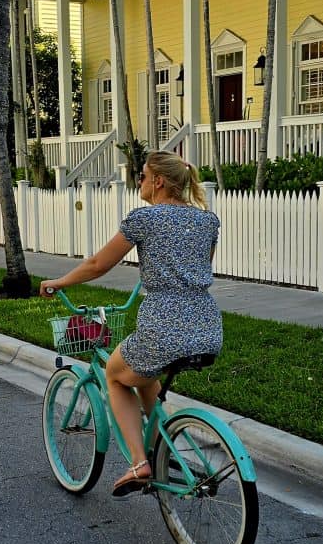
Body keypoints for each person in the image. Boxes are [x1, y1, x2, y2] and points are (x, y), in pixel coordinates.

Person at [40, 151, 222, 497]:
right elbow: (196, 269)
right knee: (143, 376)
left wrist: (59, 283)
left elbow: (97, 265)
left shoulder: (144, 218)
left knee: (114, 373)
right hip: (207, 327)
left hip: (164, 326)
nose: (138, 181)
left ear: (158, 181)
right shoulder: (207, 221)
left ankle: (139, 462)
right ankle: (158, 453)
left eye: (142, 176)